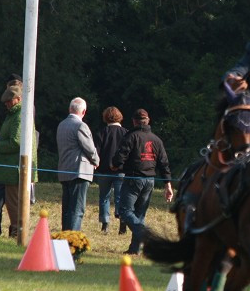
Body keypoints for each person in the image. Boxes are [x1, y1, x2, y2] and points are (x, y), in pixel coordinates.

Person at [111, 108, 174, 254]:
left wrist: (114, 165)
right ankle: (135, 249)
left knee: (125, 211)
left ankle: (143, 233)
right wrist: (168, 184)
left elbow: (120, 156)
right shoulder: (157, 140)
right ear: (148, 121)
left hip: (134, 178)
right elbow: (164, 163)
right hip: (150, 181)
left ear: (134, 121)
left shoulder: (131, 136)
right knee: (140, 215)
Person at [0, 84, 36, 238]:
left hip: (15, 169)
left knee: (14, 204)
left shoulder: (20, 116)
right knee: (2, 202)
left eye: (9, 101)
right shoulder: (13, 114)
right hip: (7, 169)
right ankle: (3, 231)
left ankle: (17, 233)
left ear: (19, 99)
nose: (6, 104)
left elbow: (17, 142)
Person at [56, 97, 99, 232]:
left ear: (70, 109)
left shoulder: (61, 125)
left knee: (67, 209)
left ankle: (64, 239)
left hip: (64, 171)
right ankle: (73, 242)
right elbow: (90, 149)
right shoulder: (81, 126)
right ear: (84, 111)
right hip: (79, 172)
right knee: (77, 210)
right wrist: (96, 161)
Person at [94, 106, 128, 234]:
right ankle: (122, 224)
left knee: (104, 197)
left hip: (103, 170)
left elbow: (96, 152)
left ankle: (105, 224)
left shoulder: (101, 133)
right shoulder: (126, 133)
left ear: (105, 118)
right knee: (121, 198)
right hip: (121, 171)